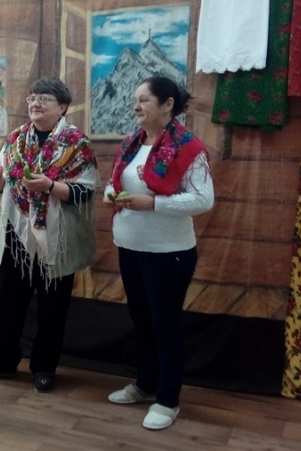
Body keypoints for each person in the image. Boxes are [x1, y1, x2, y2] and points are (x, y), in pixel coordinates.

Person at [0, 77, 99, 392]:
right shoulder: (15, 139)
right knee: (6, 301)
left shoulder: (77, 143)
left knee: (53, 306)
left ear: (62, 106)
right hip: (17, 233)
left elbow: (85, 191)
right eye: (32, 98)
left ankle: (44, 367)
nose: (35, 103)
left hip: (57, 237)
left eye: (44, 98)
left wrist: (51, 186)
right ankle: (2, 361)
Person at [104, 77, 214, 430]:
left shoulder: (188, 147)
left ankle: (168, 399)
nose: (136, 106)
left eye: (144, 100)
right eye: (134, 100)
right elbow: (115, 181)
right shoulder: (132, 142)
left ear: (167, 105)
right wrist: (111, 194)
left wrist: (154, 204)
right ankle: (146, 384)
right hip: (130, 248)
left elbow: (203, 199)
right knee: (141, 321)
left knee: (165, 326)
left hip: (168, 253)